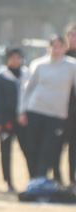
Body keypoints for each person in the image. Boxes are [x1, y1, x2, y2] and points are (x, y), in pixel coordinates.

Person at [18, 35, 76, 186]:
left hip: (57, 115)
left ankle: (40, 180)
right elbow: (28, 89)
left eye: (60, 47)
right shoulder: (39, 64)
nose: (57, 50)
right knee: (33, 147)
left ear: (65, 48)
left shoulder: (72, 66)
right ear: (48, 48)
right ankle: (34, 180)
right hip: (36, 110)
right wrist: (22, 111)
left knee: (48, 149)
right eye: (54, 47)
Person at [0, 46, 32, 193]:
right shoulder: (1, 77)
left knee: (29, 150)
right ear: (7, 59)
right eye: (12, 58)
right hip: (6, 120)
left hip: (23, 119)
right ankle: (8, 181)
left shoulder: (27, 75)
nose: (16, 61)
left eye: (19, 58)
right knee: (6, 151)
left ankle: (33, 178)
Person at [52, 23, 76, 186]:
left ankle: (72, 179)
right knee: (57, 144)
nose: (73, 38)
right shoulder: (61, 57)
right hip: (60, 108)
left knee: (74, 146)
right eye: (71, 35)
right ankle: (57, 177)